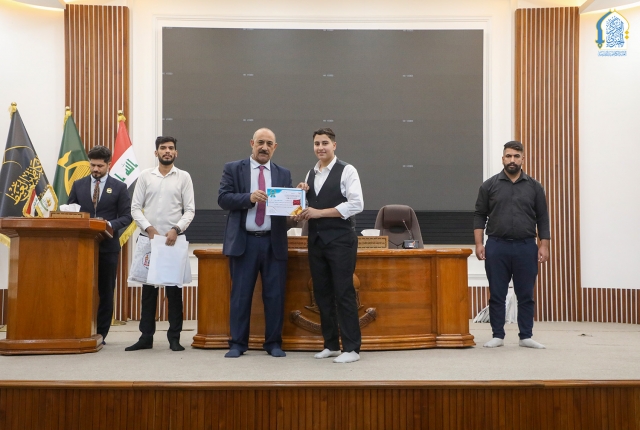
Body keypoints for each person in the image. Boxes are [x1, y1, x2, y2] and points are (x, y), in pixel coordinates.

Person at [218, 128, 292, 358]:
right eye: (260, 142)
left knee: (275, 296)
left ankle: (273, 343)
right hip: (244, 242)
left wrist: (297, 205)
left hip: (273, 242)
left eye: (269, 144)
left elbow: (287, 210)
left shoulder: (283, 173)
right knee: (241, 296)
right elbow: (223, 198)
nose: (264, 147)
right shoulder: (233, 168)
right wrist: (248, 198)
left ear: (275, 147)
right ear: (252, 143)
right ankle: (238, 344)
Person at [296, 128, 364, 364]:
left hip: (340, 240)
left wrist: (320, 212)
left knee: (344, 292)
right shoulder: (310, 173)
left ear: (334, 145)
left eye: (325, 143)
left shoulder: (347, 170)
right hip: (316, 241)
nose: (320, 147)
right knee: (322, 293)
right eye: (317, 143)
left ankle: (352, 349)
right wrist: (300, 196)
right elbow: (308, 207)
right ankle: (332, 345)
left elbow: (356, 204)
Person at [474, 140, 550, 349]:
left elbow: (543, 218)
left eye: (516, 156)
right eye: (508, 156)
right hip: (497, 246)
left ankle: (526, 336)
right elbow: (479, 215)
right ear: (503, 159)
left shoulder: (535, 187)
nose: (512, 160)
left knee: (526, 294)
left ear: (523, 159)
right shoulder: (489, 186)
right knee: (497, 293)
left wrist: (544, 245)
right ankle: (497, 335)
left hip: (526, 246)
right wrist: (479, 243)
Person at [126, 136, 195, 352]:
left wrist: (176, 229)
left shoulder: (184, 177)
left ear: (176, 153)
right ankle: (146, 337)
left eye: (171, 148)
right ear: (156, 153)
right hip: (150, 240)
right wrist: (149, 228)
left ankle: (174, 338)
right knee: (148, 292)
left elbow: (190, 210)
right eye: (163, 148)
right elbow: (135, 208)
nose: (167, 151)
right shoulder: (146, 176)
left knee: (174, 293)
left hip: (173, 241)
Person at [68, 145, 132, 345]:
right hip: (81, 247)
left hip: (107, 247)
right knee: (79, 289)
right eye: (92, 165)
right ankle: (79, 329)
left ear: (108, 165)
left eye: (100, 166)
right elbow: (69, 212)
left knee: (105, 291)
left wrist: (108, 225)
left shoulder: (119, 187)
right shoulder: (78, 185)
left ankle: (101, 334)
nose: (95, 169)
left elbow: (127, 217)